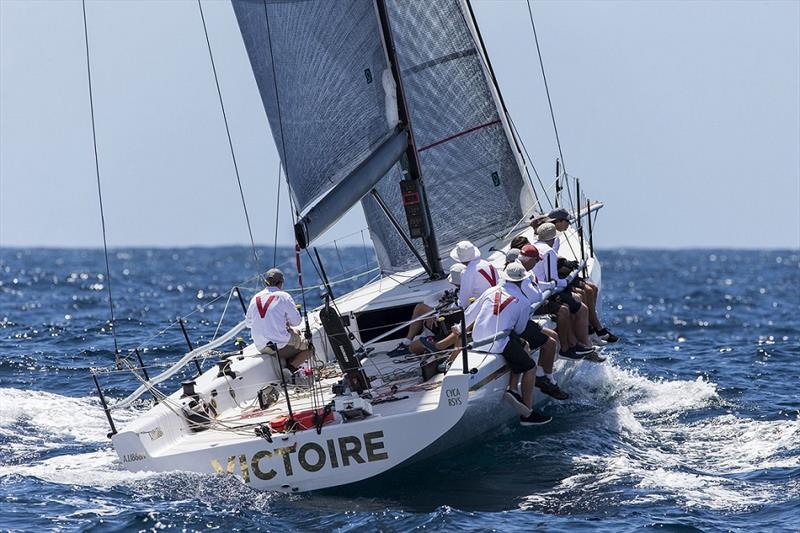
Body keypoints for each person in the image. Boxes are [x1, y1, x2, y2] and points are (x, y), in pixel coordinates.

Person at [465, 262, 551, 426]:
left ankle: (513, 390)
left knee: (523, 346)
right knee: (530, 367)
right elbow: (519, 329)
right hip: (496, 343)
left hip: (477, 339)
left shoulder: (490, 291)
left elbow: (469, 315)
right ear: (521, 281)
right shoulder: (524, 302)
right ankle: (528, 413)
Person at [518, 244, 605, 365]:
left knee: (568, 307)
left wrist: (551, 286)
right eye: (536, 260)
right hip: (525, 313)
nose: (537, 263)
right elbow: (536, 295)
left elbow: (539, 287)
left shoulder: (528, 272)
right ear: (528, 259)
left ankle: (580, 344)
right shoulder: (522, 274)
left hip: (534, 304)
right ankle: (568, 349)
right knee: (564, 311)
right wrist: (553, 285)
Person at [548, 208, 618, 343]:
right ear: (558, 222)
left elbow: (552, 258)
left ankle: (593, 327)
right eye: (567, 221)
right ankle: (595, 330)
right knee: (584, 292)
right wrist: (563, 265)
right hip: (554, 279)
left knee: (592, 288)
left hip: (559, 273)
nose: (569, 224)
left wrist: (565, 263)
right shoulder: (551, 237)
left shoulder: (555, 236)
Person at [533, 223, 598, 358]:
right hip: (543, 293)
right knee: (579, 308)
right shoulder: (548, 251)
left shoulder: (534, 246)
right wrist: (567, 280)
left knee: (570, 305)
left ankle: (577, 343)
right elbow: (553, 279)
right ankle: (574, 346)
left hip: (537, 290)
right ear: (552, 238)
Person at [388, 264, 465, 358]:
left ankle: (408, 343)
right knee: (421, 309)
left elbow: (458, 307)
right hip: (453, 321)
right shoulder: (467, 288)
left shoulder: (464, 292)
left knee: (420, 308)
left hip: (450, 324)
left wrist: (434, 314)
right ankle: (410, 343)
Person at [245, 268, 312, 374]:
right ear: (281, 283)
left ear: (265, 282)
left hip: (261, 346)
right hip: (280, 346)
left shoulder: (255, 298)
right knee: (310, 347)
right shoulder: (284, 296)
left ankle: (292, 367)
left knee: (293, 334)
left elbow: (248, 324)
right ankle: (290, 368)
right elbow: (297, 322)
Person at [450, 240, 499, 308]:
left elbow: (464, 301)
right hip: (497, 299)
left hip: (484, 306)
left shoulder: (467, 273)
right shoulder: (488, 264)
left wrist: (456, 304)